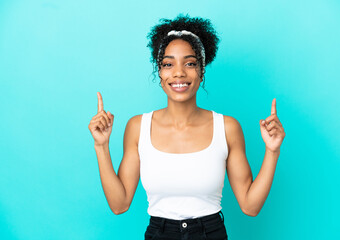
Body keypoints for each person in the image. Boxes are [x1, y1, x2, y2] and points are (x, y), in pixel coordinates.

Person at [88, 14, 285, 240]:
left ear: (201, 72)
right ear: (159, 73)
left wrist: (272, 151)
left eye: (190, 63)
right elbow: (119, 204)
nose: (179, 72)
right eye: (168, 64)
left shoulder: (227, 128)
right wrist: (101, 146)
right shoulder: (137, 127)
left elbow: (250, 206)